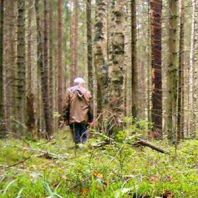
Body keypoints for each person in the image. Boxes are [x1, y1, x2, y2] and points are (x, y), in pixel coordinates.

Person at [62, 77, 94, 145]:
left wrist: (65, 118)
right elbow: (90, 107)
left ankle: (78, 150)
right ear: (82, 84)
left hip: (72, 118)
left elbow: (66, 106)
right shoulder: (87, 92)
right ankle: (83, 151)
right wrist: (91, 119)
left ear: (75, 83)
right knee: (84, 136)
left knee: (76, 138)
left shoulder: (69, 91)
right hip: (84, 118)